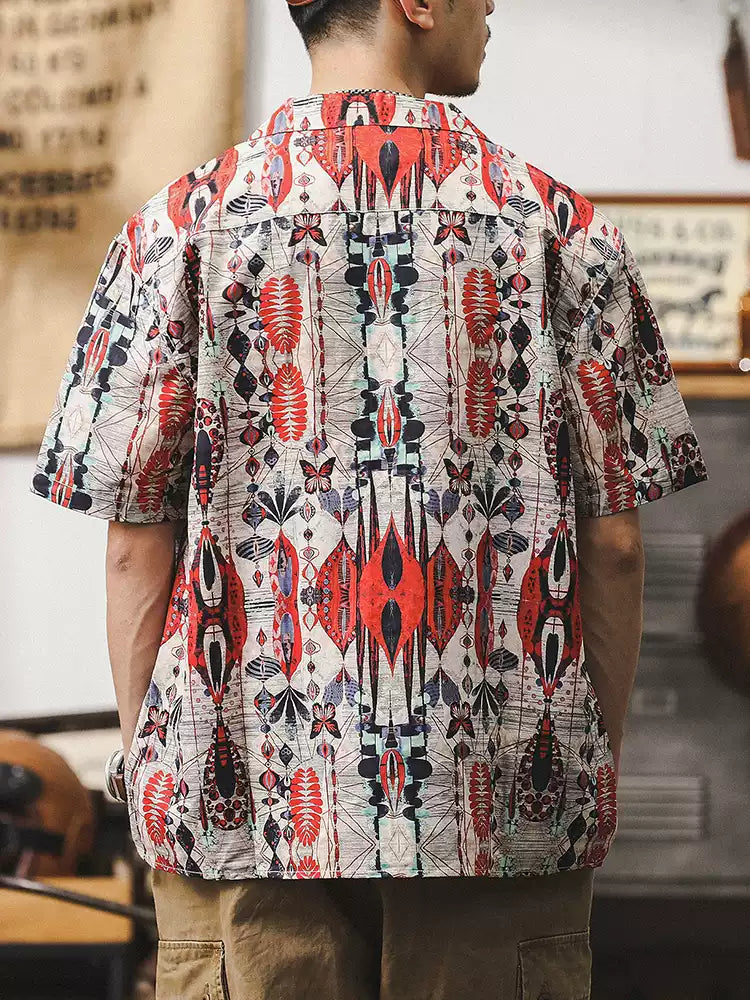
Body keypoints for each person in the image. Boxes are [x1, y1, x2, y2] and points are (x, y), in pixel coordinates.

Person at [31, 0, 709, 997]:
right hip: (498, 820)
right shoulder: (563, 232)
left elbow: (136, 547)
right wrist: (574, 768)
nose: (493, 5)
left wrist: (154, 767)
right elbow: (614, 548)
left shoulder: (176, 229)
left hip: (243, 819)